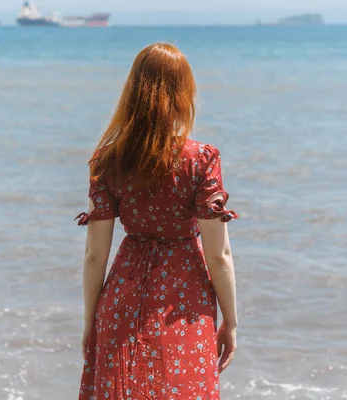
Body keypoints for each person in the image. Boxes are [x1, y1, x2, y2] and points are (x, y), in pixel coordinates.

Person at [75, 42, 238, 400]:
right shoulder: (201, 159)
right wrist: (231, 320)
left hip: (122, 295)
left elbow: (94, 256)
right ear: (184, 94)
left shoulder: (107, 160)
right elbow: (219, 255)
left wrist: (91, 319)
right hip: (184, 301)